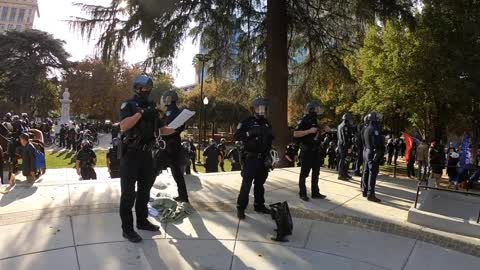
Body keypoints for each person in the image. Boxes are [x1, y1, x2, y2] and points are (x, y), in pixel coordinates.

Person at [119, 75, 176, 243]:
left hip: (147, 155)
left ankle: (142, 222)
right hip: (130, 155)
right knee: (128, 194)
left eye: (149, 90)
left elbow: (160, 130)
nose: (147, 92)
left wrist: (175, 128)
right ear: (137, 89)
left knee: (144, 193)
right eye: (145, 89)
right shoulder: (128, 105)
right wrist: (140, 114)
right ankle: (127, 229)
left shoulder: (152, 106)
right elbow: (123, 126)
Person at [235, 97, 274, 219]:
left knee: (260, 184)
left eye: (264, 108)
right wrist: (249, 133)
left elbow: (269, 140)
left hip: (263, 159)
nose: (261, 110)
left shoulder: (267, 123)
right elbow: (237, 136)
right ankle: (241, 208)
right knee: (246, 184)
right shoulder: (247, 122)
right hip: (250, 158)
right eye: (259, 108)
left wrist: (269, 157)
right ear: (254, 109)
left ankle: (259, 205)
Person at [293, 101, 328, 201]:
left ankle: (315, 192)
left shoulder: (316, 120)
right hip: (307, 150)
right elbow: (295, 134)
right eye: (317, 108)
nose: (318, 110)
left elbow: (316, 135)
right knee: (304, 172)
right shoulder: (303, 120)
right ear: (312, 109)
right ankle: (302, 193)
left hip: (316, 150)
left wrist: (324, 130)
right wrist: (309, 131)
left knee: (316, 172)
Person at [161, 90, 190, 203]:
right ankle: (184, 196)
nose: (164, 100)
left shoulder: (171, 112)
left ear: (169, 98)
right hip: (174, 145)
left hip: (168, 146)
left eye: (165, 97)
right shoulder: (177, 112)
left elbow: (166, 127)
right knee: (177, 174)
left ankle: (144, 196)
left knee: (153, 170)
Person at [361, 112, 384, 203]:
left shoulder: (366, 128)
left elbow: (363, 141)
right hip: (373, 152)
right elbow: (377, 143)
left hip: (366, 151)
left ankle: (365, 190)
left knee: (366, 171)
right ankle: (371, 194)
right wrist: (378, 153)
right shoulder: (375, 129)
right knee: (372, 173)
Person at [337, 113, 354, 180]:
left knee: (345, 160)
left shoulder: (340, 125)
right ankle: (341, 175)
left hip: (341, 144)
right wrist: (349, 147)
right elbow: (345, 138)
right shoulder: (345, 126)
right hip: (344, 145)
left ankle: (345, 173)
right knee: (344, 160)